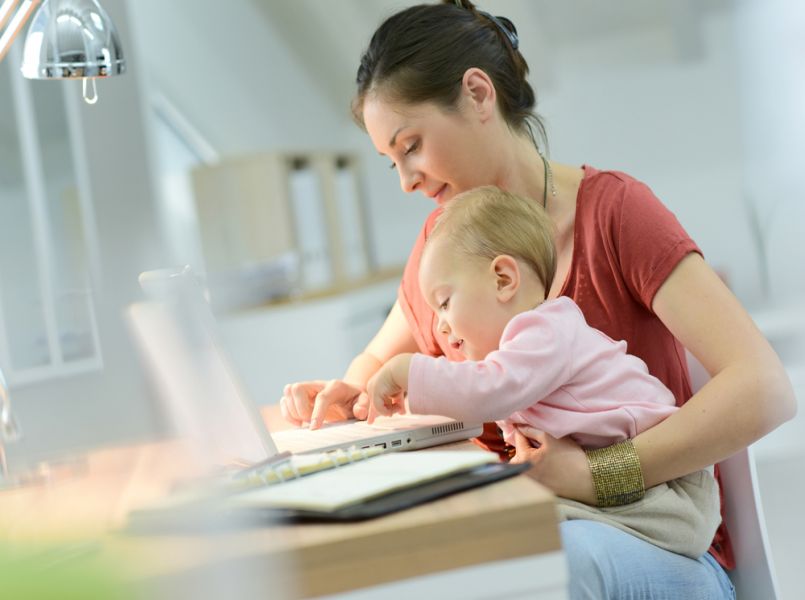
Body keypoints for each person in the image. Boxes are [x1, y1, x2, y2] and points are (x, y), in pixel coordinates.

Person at [280, 1, 796, 597]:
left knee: (552, 567)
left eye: (412, 145)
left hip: (659, 542)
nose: (407, 179)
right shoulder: (443, 246)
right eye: (392, 161)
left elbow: (765, 389)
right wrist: (348, 393)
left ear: (477, 95)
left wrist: (595, 474)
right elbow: (376, 363)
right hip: (538, 535)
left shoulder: (615, 214)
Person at [366, 185, 721, 559]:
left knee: (516, 537)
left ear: (503, 279)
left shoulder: (546, 331)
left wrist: (410, 371)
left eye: (445, 303)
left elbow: (486, 391)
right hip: (630, 486)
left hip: (666, 493)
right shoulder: (520, 350)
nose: (439, 327)